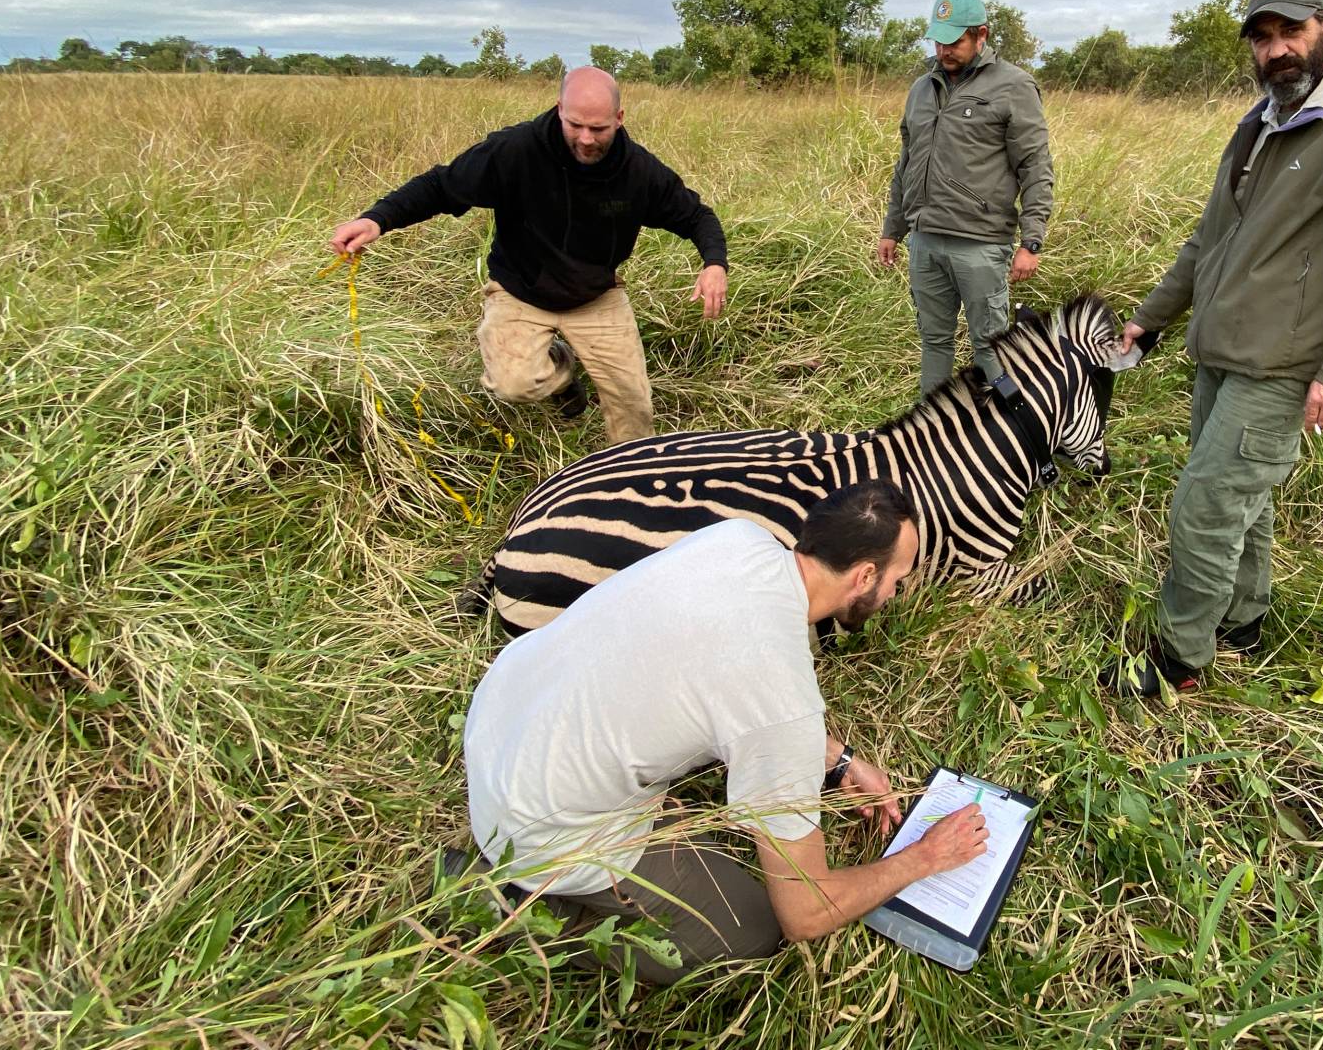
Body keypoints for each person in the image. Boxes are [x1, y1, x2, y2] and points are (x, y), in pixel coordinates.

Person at [462, 481, 990, 982]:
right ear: (864, 577)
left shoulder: (738, 537)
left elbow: (722, 683)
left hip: (500, 721)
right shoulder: (783, 699)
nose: (898, 592)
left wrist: (839, 760)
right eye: (898, 578)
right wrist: (924, 857)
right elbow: (806, 913)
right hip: (537, 826)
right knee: (751, 932)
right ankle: (523, 912)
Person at [1104, 0, 1323, 697]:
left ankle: (1178, 659)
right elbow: (1208, 242)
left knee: (1203, 508)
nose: (1277, 49)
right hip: (1221, 353)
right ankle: (1242, 622)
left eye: (1292, 30)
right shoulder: (1260, 123)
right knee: (1241, 507)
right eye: (1263, 37)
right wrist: (1151, 319)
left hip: (1282, 365)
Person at [327, 66, 726, 444]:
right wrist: (376, 220)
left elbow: (696, 216)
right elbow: (440, 186)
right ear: (559, 110)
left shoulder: (639, 171)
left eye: (599, 128)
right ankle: (561, 370)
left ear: (619, 117)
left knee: (633, 405)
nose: (586, 138)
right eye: (576, 125)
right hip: (520, 290)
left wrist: (713, 264)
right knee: (513, 384)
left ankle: (634, 478)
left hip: (595, 295)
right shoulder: (515, 150)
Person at [879, 0, 1054, 396]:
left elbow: (1035, 166)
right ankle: (928, 436)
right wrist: (893, 229)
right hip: (925, 242)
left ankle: (1001, 436)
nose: (944, 50)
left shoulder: (1014, 85)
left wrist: (1032, 241)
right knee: (934, 341)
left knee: (990, 348)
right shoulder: (921, 88)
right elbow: (906, 164)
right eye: (939, 40)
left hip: (979, 243)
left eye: (955, 40)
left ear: (981, 35)